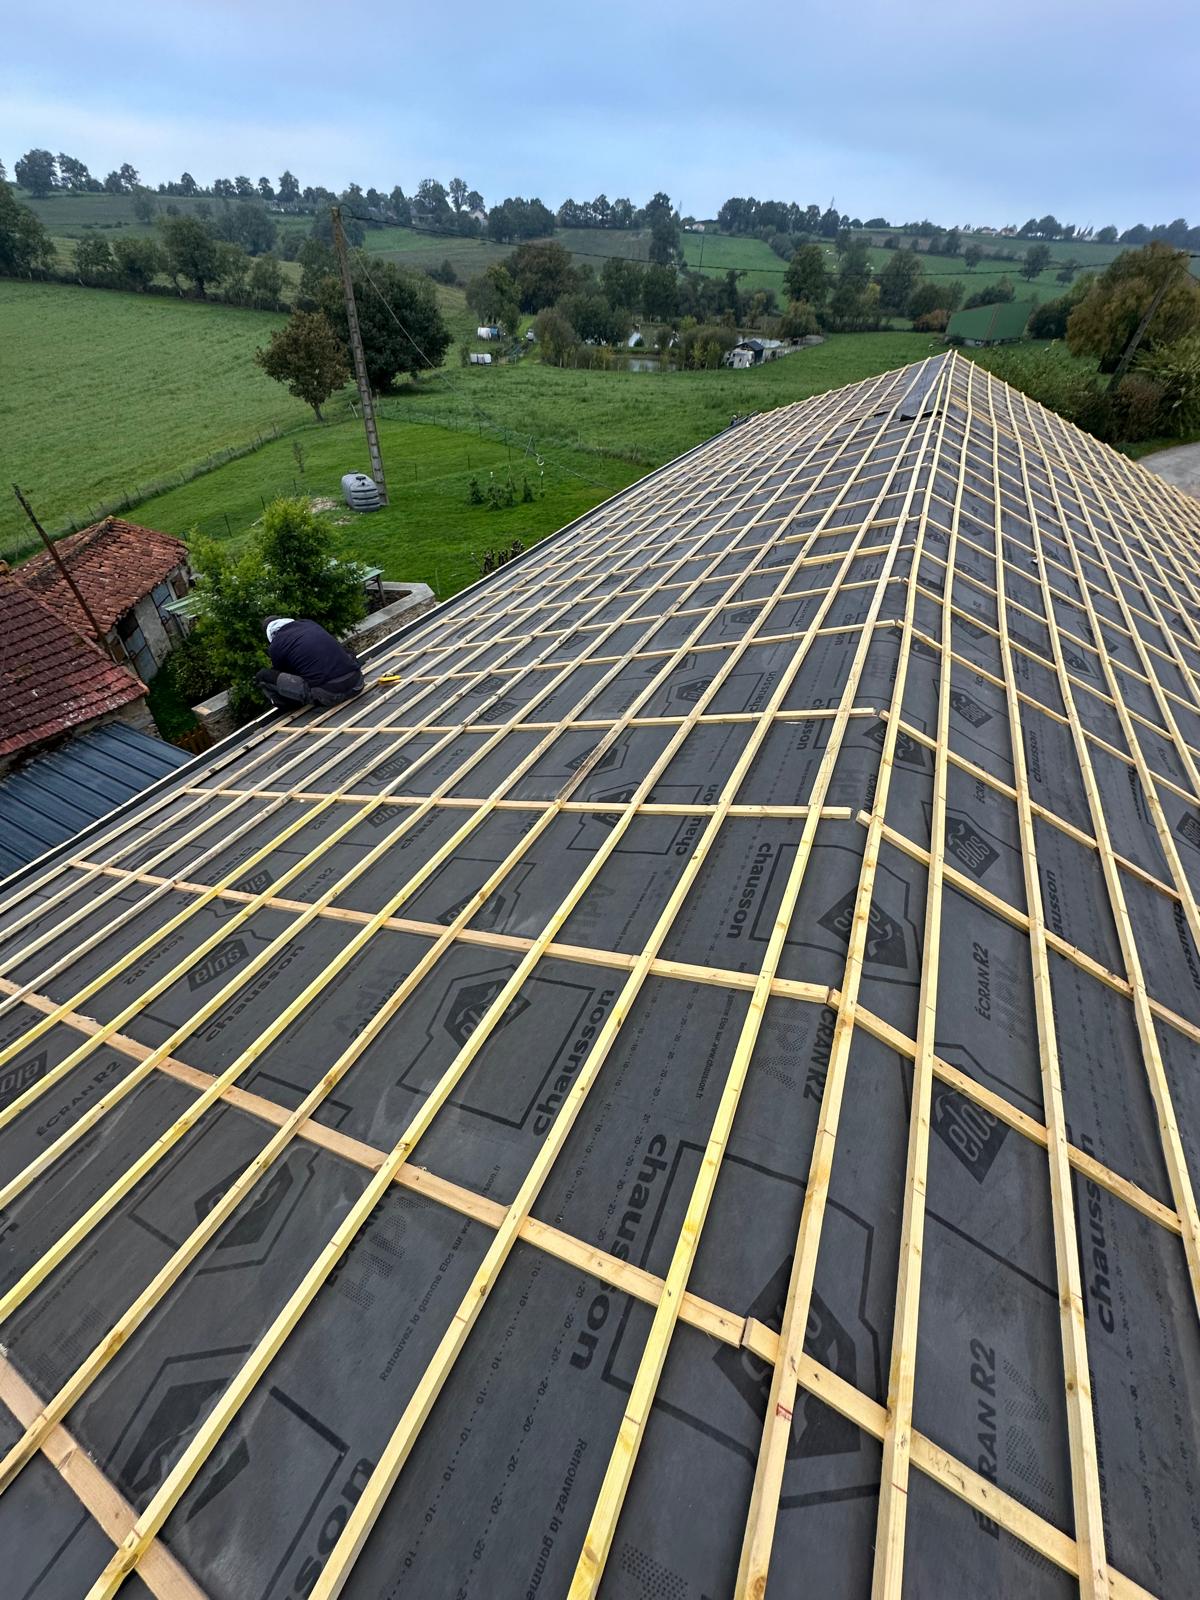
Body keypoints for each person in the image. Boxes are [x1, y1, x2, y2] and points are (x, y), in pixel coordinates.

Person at [254, 616, 365, 710]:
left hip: (329, 696)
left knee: (264, 676)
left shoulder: (276, 645)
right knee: (345, 652)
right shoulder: (309, 624)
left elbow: (285, 676)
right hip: (357, 682)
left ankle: (289, 706)